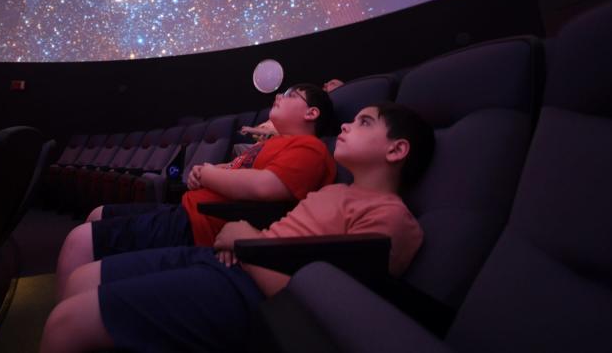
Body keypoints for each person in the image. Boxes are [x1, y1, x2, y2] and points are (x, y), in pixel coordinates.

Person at [41, 102, 435, 353]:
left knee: (66, 323)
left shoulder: (392, 217)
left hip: (248, 290)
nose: (347, 125)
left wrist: (247, 241)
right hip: (229, 260)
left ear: (396, 150)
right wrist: (246, 241)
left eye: (364, 122)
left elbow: (331, 301)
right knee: (82, 280)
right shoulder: (336, 190)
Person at [54, 83, 338, 300]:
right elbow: (230, 169)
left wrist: (209, 174)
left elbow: (263, 186)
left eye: (289, 94)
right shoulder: (267, 145)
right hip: (187, 210)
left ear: (311, 112)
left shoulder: (309, 148)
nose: (278, 96)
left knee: (78, 241)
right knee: (97, 214)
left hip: (198, 224)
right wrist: (204, 173)